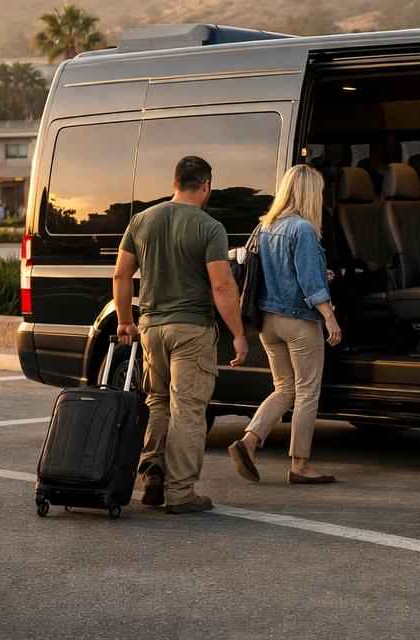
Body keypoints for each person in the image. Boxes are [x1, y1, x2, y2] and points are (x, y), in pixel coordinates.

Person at [113, 155, 247, 515]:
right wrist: (238, 333)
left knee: (158, 400)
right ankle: (181, 492)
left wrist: (126, 320)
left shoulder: (141, 220)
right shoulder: (210, 227)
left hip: (151, 328)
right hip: (191, 329)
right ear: (205, 186)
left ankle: (152, 475)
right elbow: (221, 286)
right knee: (187, 408)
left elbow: (121, 275)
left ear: (174, 183)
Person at [228, 164, 345, 485]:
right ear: (310, 193)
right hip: (299, 322)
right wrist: (330, 317)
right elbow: (309, 283)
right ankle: (299, 465)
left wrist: (322, 273)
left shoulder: (265, 226)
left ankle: (249, 441)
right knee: (307, 391)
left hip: (268, 322)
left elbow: (279, 272)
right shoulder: (303, 229)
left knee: (284, 389)